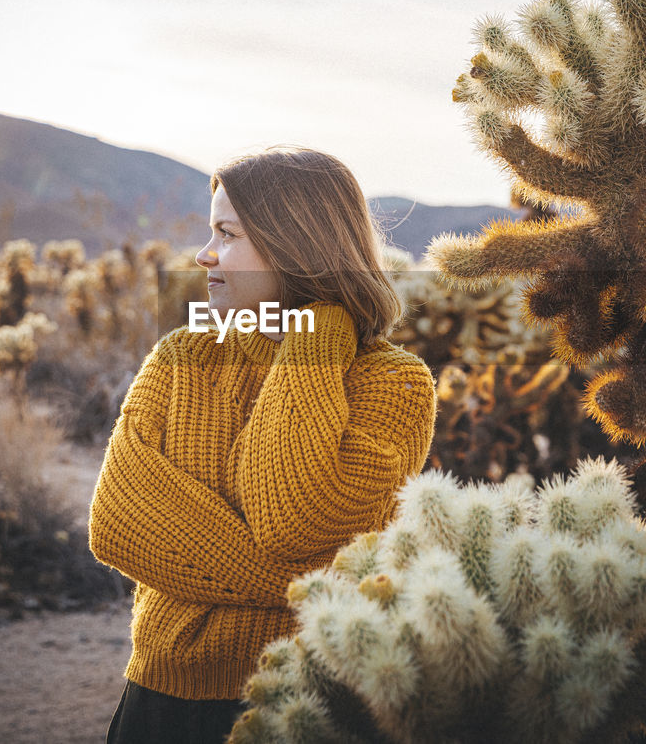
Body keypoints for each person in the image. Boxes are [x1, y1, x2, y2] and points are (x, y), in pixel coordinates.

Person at [89, 147, 437, 743]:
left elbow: (294, 522)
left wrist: (316, 333)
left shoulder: (393, 383)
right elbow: (119, 522)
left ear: (293, 246)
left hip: (309, 702)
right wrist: (313, 580)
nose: (203, 255)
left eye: (227, 234)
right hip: (161, 698)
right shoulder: (182, 358)